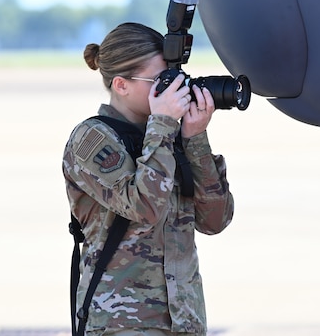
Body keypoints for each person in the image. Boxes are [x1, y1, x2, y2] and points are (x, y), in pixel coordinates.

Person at [62, 22, 234, 336]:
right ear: (121, 85)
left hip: (184, 320)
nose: (172, 91)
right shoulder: (92, 140)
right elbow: (145, 208)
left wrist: (195, 139)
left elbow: (215, 220)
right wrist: (164, 124)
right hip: (123, 323)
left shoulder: (165, 138)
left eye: (173, 80)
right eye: (159, 82)